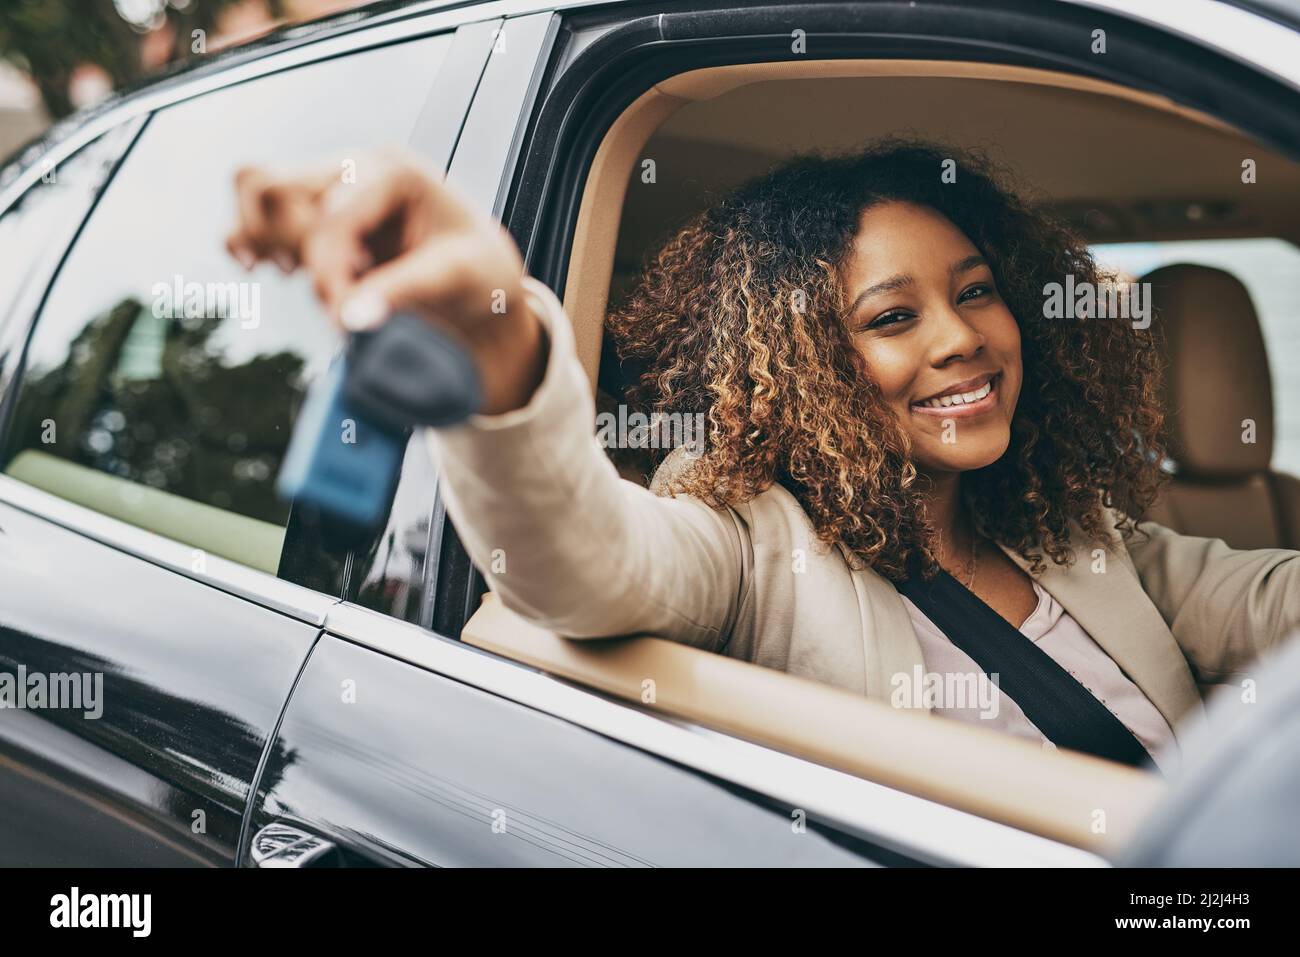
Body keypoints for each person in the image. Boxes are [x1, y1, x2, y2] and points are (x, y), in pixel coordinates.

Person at [226, 141, 1300, 773]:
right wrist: (504, 347)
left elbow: (1268, 604)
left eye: (975, 291)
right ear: (810, 361)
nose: (960, 337)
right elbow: (586, 564)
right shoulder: (746, 543)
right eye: (891, 318)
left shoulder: (1081, 533)